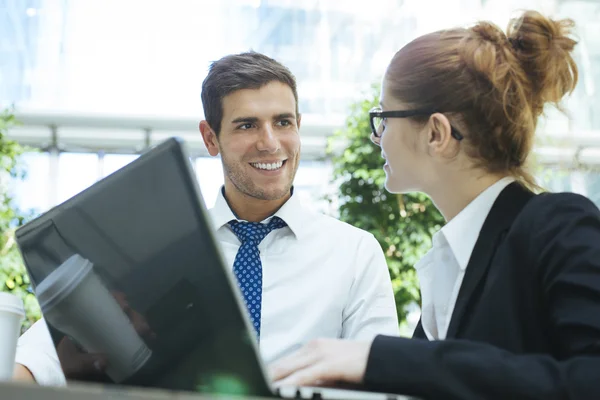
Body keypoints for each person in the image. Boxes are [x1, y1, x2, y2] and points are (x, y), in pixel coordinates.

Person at [12, 51, 399, 385]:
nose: (270, 142)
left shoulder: (355, 253)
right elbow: (32, 360)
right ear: (210, 138)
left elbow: (382, 379)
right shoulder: (162, 250)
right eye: (247, 125)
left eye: (283, 122)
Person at [270, 10, 600, 400]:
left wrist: (383, 360)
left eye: (384, 118)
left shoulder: (558, 223)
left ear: (437, 133)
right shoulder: (451, 263)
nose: (379, 138)